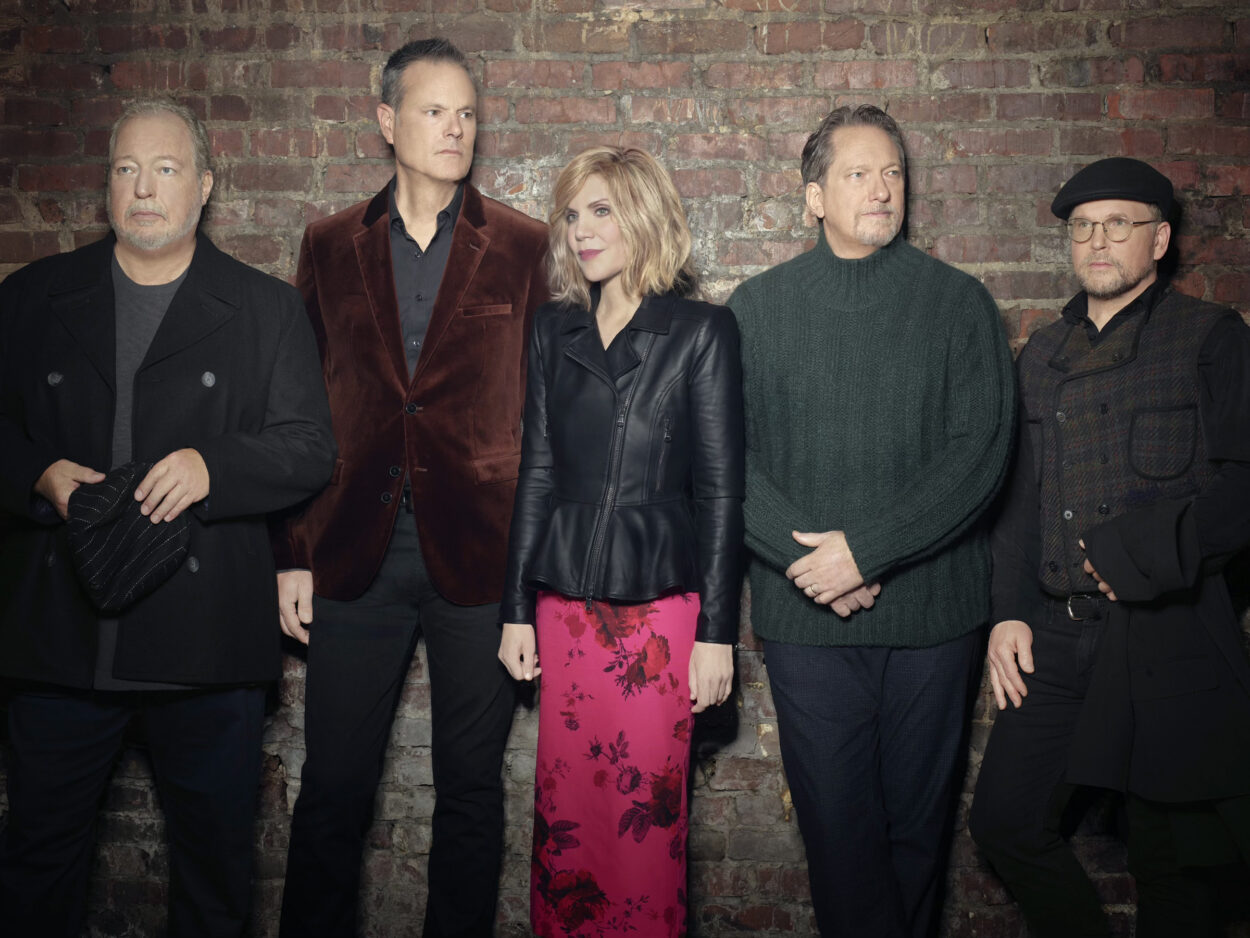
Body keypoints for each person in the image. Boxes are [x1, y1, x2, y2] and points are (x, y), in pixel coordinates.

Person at [0, 98, 335, 938]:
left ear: (205, 185)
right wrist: (37, 474)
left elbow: (309, 448)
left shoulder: (265, 307)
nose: (143, 188)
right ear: (107, 185)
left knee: (214, 879)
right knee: (36, 871)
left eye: (166, 169)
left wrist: (213, 466)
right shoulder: (32, 296)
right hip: (60, 638)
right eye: (126, 169)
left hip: (205, 644)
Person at [273, 38, 550, 938]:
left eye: (467, 112)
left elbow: (546, 413)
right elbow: (297, 408)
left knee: (470, 793)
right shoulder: (327, 246)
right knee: (332, 790)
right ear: (388, 122)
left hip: (482, 556)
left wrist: (534, 573)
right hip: (353, 552)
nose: (456, 128)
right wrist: (292, 553)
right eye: (436, 111)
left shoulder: (524, 246)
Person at [729, 104, 1016, 937]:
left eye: (893, 172)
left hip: (933, 624)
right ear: (814, 196)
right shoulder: (756, 308)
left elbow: (982, 452)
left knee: (917, 837)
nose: (882, 189)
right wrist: (813, 565)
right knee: (838, 839)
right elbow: (725, 459)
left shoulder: (959, 304)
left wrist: (868, 553)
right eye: (858, 174)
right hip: (806, 623)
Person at [969, 157, 1250, 937]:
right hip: (1058, 634)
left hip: (1166, 633)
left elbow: (1244, 488)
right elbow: (1017, 502)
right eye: (1083, 228)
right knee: (1005, 822)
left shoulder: (1211, 337)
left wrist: (1144, 554)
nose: (1097, 241)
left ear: (1158, 240)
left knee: (1171, 862)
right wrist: (1008, 613)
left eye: (1118, 224)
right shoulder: (1040, 352)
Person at [497, 145, 744, 937]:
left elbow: (721, 493)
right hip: (564, 610)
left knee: (643, 828)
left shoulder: (703, 331)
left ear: (643, 215)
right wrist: (515, 610)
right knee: (566, 822)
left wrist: (717, 635)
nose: (581, 230)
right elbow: (536, 472)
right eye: (572, 215)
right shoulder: (553, 328)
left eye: (601, 211)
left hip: (659, 618)